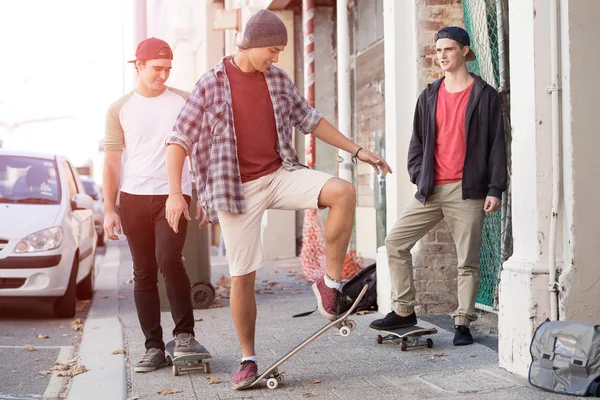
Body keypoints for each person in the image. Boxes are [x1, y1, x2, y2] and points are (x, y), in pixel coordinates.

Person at [164, 9, 391, 389]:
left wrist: (357, 150)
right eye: (272, 49)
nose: (276, 57)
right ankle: (248, 359)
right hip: (235, 190)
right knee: (243, 275)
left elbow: (311, 120)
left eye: (280, 50)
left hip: (279, 173)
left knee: (343, 192)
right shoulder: (210, 85)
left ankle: (330, 283)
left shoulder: (278, 79)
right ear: (250, 44)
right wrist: (175, 193)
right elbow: (178, 140)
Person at [369, 26, 507, 346]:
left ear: (464, 52)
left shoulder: (484, 95)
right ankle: (404, 310)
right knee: (395, 242)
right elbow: (417, 142)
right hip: (431, 189)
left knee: (467, 261)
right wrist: (419, 174)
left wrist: (495, 188)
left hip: (468, 190)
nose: (442, 56)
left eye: (448, 49)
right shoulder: (429, 94)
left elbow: (497, 145)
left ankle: (463, 322)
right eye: (438, 50)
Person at [103, 37, 200, 372]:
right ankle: (154, 347)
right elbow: (113, 162)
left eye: (168, 69)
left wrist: (198, 192)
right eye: (157, 68)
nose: (163, 75)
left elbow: (199, 152)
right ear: (139, 65)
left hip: (173, 195)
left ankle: (185, 335)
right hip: (133, 197)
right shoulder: (120, 109)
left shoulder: (184, 102)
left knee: (169, 259)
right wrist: (109, 209)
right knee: (143, 272)